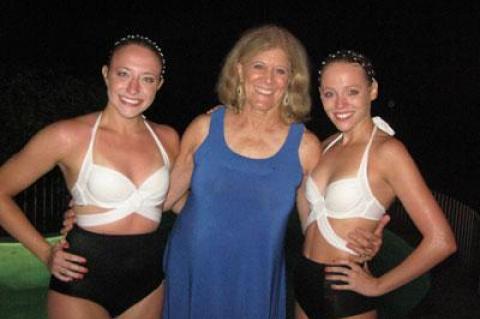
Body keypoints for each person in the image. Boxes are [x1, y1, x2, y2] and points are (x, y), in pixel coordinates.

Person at [160, 26, 387, 319]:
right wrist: (81, 221)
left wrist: (362, 244)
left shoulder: (304, 146)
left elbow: (316, 225)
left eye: (280, 71)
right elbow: (162, 200)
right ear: (240, 70)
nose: (268, 79)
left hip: (256, 275)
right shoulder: (204, 128)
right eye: (259, 66)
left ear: (291, 80)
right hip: (193, 264)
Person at [0, 34, 179, 318]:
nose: (133, 88)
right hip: (82, 280)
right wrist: (45, 253)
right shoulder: (68, 136)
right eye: (123, 74)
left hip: (149, 279)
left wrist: (225, 119)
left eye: (147, 78)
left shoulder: (168, 138)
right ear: (106, 74)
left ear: (159, 85)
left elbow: (176, 200)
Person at [293, 50, 457, 319]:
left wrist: (378, 285)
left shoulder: (388, 152)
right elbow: (306, 205)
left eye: (352, 92)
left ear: (373, 91)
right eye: (329, 93)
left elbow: (442, 241)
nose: (340, 104)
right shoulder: (325, 145)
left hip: (345, 291)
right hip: (305, 277)